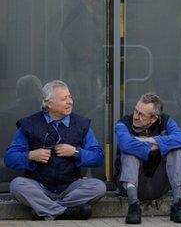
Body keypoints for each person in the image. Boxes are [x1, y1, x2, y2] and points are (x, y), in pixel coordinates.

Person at [4, 80, 106, 220]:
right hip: (39, 186)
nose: (70, 101)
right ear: (49, 103)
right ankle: (66, 212)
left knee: (99, 186)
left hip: (71, 187)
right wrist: (30, 155)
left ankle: (46, 210)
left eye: (70, 97)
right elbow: (10, 158)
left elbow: (98, 157)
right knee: (16, 185)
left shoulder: (82, 124)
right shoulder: (29, 124)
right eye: (64, 99)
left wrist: (76, 152)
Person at [114, 92, 181, 224]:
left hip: (158, 183)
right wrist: (160, 145)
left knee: (177, 151)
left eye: (141, 115)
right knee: (129, 153)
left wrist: (151, 140)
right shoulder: (123, 123)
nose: (136, 117)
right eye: (135, 111)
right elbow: (126, 144)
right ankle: (133, 207)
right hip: (132, 185)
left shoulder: (165, 121)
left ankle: (177, 205)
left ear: (154, 119)